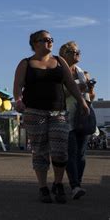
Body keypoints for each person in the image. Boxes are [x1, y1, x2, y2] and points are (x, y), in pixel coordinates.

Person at [13, 30, 89, 204]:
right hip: (34, 111)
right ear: (35, 44)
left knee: (60, 151)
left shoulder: (60, 61)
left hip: (58, 112)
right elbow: (17, 85)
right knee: (40, 150)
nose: (50, 42)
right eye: (45, 40)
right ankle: (43, 187)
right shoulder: (26, 63)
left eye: (51, 39)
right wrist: (18, 100)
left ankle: (58, 183)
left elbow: (70, 84)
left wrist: (82, 102)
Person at [59, 41, 96, 199]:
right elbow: (58, 96)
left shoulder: (82, 72)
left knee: (81, 154)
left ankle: (77, 185)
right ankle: (75, 185)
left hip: (82, 115)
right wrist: (76, 89)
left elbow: (91, 98)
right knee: (71, 152)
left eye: (78, 51)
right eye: (74, 52)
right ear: (65, 54)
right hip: (67, 117)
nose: (78, 54)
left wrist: (90, 88)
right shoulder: (60, 73)